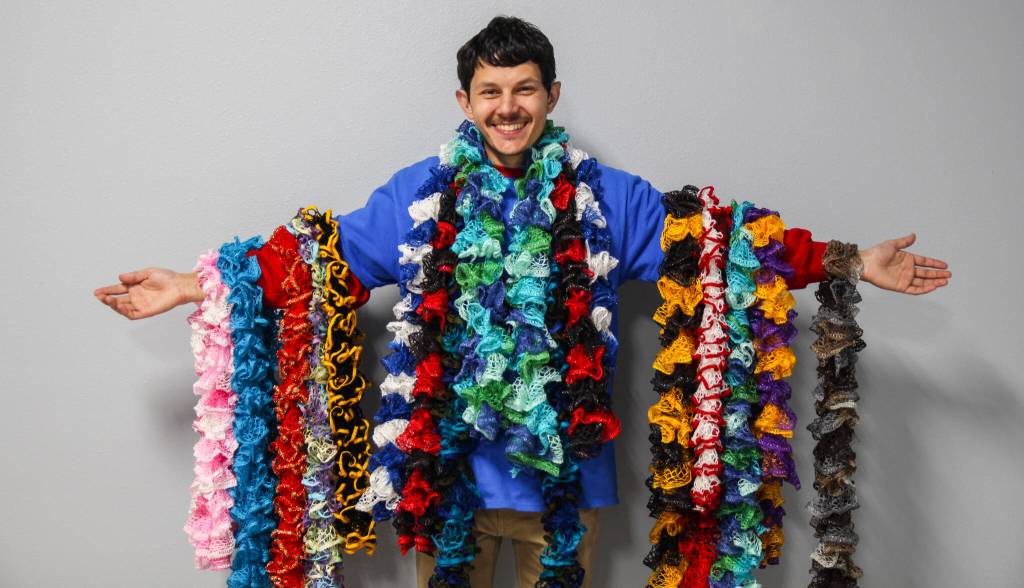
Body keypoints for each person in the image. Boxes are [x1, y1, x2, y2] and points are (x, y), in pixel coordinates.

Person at [94, 16, 950, 588]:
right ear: (463, 102)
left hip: (558, 487)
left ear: (552, 96)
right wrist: (191, 284)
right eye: (492, 93)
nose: (509, 108)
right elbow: (321, 262)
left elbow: (722, 244)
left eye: (526, 89)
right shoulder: (419, 196)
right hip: (448, 483)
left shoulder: (610, 199)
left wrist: (846, 260)